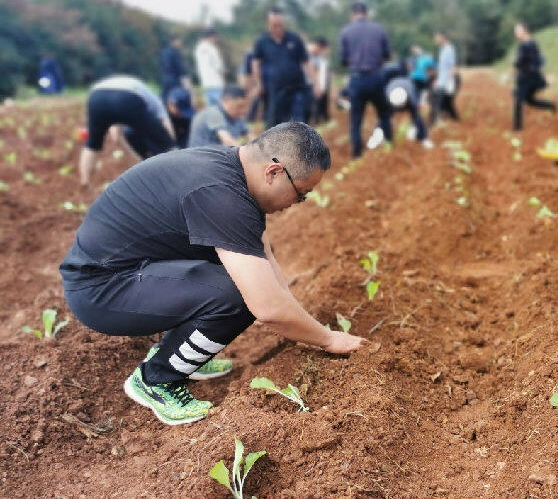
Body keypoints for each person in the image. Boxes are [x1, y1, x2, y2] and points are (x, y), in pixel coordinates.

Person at [60, 121, 368, 426]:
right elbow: (268, 308)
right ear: (273, 172)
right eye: (301, 194)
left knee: (245, 270)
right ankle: (156, 379)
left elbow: (263, 253)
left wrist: (294, 312)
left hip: (133, 269)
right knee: (238, 295)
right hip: (101, 289)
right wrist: (327, 339)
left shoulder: (233, 170)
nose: (297, 203)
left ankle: (179, 353)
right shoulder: (222, 195)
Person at [78, 75, 176, 186]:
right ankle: (179, 171)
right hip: (127, 97)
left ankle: (85, 182)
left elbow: (115, 136)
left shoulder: (132, 88)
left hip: (96, 97)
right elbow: (166, 126)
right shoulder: (156, 102)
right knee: (166, 144)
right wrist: (171, 144)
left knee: (92, 146)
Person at [339, 0, 392, 158]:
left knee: (356, 118)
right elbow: (387, 55)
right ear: (367, 14)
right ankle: (389, 144)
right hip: (376, 77)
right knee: (384, 113)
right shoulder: (379, 29)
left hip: (357, 79)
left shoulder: (346, 32)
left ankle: (357, 151)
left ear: (352, 15)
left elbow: (343, 60)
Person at [251, 9, 318, 128]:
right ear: (268, 24)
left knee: (298, 122)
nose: (278, 28)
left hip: (296, 87)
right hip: (273, 89)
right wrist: (258, 83)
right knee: (273, 123)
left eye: (280, 25)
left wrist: (316, 82)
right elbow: (256, 63)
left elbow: (306, 61)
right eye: (274, 25)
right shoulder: (262, 42)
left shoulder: (295, 39)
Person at [512, 22, 555, 131]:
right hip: (529, 77)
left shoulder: (527, 45)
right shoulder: (528, 45)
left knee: (518, 101)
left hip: (528, 78)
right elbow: (538, 61)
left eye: (518, 30)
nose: (516, 33)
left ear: (525, 31)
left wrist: (510, 74)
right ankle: (550, 105)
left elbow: (520, 63)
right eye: (516, 31)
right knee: (529, 100)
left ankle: (517, 128)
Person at [380, 62, 433, 149]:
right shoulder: (386, 94)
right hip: (393, 95)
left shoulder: (411, 91)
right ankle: (385, 137)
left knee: (416, 116)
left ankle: (424, 138)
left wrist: (419, 105)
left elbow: (416, 104)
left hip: (406, 93)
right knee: (385, 117)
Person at [429, 31, 460, 126]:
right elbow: (441, 67)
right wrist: (436, 80)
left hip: (447, 81)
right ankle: (456, 120)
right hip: (441, 80)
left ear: (443, 38)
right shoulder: (441, 50)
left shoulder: (449, 49)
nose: (436, 40)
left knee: (437, 102)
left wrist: (452, 83)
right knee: (446, 103)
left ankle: (435, 122)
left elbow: (452, 66)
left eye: (437, 38)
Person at [194, 28, 226, 107]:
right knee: (220, 107)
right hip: (216, 82)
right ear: (211, 36)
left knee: (211, 107)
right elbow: (219, 67)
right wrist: (223, 73)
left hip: (205, 83)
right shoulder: (212, 48)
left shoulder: (198, 49)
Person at [308, 37, 332, 125]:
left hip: (318, 85)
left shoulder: (321, 58)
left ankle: (319, 121)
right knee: (312, 107)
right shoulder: (308, 55)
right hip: (311, 85)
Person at [160, 36, 191, 101]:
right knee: (178, 99)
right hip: (175, 80)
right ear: (175, 41)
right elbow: (180, 67)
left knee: (166, 99)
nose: (180, 43)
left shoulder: (164, 52)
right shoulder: (175, 52)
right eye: (179, 41)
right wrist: (185, 79)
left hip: (166, 79)